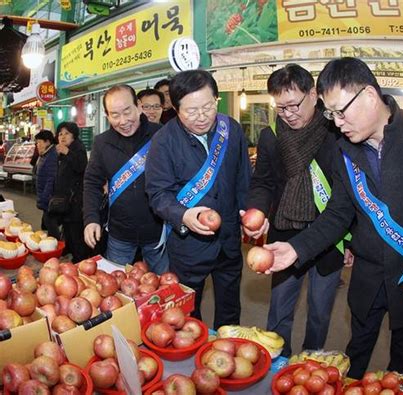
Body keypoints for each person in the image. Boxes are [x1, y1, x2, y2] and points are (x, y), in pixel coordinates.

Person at [266, 57, 403, 378]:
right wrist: (296, 249)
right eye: (330, 114)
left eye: (341, 112)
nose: (337, 123)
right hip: (368, 278)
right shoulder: (345, 148)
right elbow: (338, 213)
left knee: (401, 363)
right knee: (355, 354)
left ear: (370, 96)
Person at [241, 64, 350, 358]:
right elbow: (262, 182)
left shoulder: (337, 132)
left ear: (313, 95)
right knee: (279, 311)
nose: (288, 114)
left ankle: (309, 365)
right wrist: (258, 211)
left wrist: (351, 240)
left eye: (294, 105)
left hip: (328, 238)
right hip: (284, 235)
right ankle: (278, 365)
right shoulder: (271, 136)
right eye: (281, 107)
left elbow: (349, 195)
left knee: (320, 312)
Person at [146, 70, 252, 329]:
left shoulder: (232, 130)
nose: (202, 116)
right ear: (175, 107)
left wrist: (247, 214)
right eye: (191, 111)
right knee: (187, 316)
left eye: (208, 106)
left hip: (228, 239)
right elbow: (158, 194)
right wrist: (183, 216)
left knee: (230, 309)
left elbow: (243, 178)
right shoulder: (163, 141)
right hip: (187, 245)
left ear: (216, 98)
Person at [83, 84, 168, 273]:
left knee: (163, 291)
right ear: (107, 115)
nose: (123, 121)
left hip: (158, 233)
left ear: (138, 106)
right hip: (119, 233)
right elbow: (91, 183)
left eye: (127, 111)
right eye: (115, 115)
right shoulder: (101, 143)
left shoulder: (161, 135)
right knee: (115, 292)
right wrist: (91, 219)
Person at [53, 122, 90, 263]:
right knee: (68, 230)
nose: (62, 136)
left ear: (74, 135)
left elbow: (81, 167)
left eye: (66, 133)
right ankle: (74, 254)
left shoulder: (77, 148)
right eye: (60, 133)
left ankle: (81, 260)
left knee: (76, 232)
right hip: (66, 200)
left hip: (75, 201)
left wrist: (66, 152)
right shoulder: (64, 150)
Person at [34, 129, 60, 239]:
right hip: (44, 195)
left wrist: (45, 197)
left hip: (48, 197)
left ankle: (56, 246)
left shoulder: (51, 156)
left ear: (47, 142)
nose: (37, 145)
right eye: (37, 143)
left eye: (39, 142)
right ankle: (50, 243)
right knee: (47, 222)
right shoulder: (45, 154)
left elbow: (51, 179)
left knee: (50, 222)